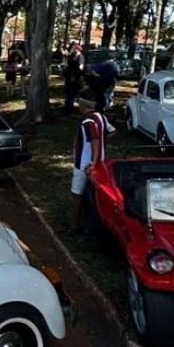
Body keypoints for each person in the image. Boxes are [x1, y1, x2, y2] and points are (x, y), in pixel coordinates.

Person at [70, 94, 117, 233]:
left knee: (76, 194)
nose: (78, 105)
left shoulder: (88, 121)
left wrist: (93, 162)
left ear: (84, 105)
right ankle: (88, 221)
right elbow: (112, 131)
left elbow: (94, 141)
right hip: (100, 162)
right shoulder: (100, 117)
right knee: (92, 192)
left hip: (84, 164)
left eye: (79, 103)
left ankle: (75, 225)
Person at [63, 43, 85, 115]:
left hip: (75, 79)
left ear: (77, 49)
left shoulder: (80, 57)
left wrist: (76, 76)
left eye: (74, 49)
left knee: (74, 95)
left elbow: (80, 68)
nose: (72, 50)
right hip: (69, 78)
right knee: (68, 95)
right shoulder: (72, 56)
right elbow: (67, 64)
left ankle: (73, 110)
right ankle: (67, 109)